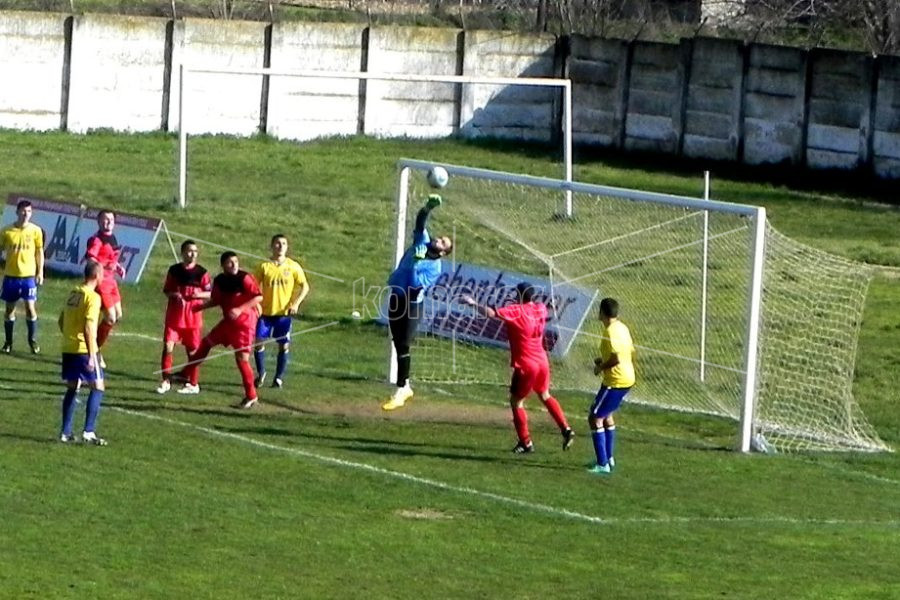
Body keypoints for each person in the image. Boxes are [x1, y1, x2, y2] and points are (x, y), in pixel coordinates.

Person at [462, 282, 575, 453]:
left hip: (526, 364)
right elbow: (548, 308)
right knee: (545, 395)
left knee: (516, 402)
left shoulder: (516, 311)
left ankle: (526, 442)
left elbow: (491, 313)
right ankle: (566, 429)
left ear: (519, 295)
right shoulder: (539, 308)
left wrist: (473, 303)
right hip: (542, 361)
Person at [381, 194, 453, 411]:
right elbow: (420, 222)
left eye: (443, 242)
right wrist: (427, 208)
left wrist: (415, 262)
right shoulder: (422, 242)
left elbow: (415, 286)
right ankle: (406, 386)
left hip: (412, 305)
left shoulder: (435, 267)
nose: (438, 240)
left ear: (444, 251)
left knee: (404, 343)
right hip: (396, 296)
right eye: (439, 237)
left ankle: (402, 387)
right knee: (397, 341)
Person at [184, 251, 263, 408]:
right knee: (206, 343)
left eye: (236, 261)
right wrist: (200, 307)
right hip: (228, 322)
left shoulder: (244, 278)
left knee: (242, 359)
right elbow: (217, 300)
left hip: (244, 324)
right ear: (223, 265)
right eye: (229, 262)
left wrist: (240, 309)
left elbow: (258, 297)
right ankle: (185, 374)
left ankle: (251, 395)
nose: (234, 265)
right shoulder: (220, 280)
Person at [58, 260, 107, 445]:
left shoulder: (73, 293)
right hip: (83, 349)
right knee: (98, 386)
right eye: (101, 274)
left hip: (68, 347)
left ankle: (65, 432)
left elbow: (61, 320)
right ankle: (88, 431)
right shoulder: (93, 298)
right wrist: (93, 356)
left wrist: (69, 338)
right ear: (96, 275)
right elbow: (88, 328)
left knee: (73, 386)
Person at [253, 234, 310, 389]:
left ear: (287, 247)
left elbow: (305, 286)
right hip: (265, 314)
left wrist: (296, 303)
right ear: (272, 246)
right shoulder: (264, 266)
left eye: (283, 243)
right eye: (277, 243)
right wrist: (257, 304)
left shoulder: (292, 266)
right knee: (258, 341)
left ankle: (278, 378)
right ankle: (261, 373)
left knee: (283, 345)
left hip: (283, 314)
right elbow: (253, 287)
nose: (280, 246)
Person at [157, 239, 212, 395]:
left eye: (195, 251)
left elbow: (211, 293)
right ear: (182, 253)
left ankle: (193, 384)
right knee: (168, 347)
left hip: (193, 318)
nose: (193, 254)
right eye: (189, 251)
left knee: (193, 352)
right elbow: (167, 290)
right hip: (175, 317)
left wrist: (198, 294)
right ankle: (166, 380)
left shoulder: (202, 272)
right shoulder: (174, 270)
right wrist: (176, 296)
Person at [588, 297, 635, 475]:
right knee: (606, 415)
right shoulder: (622, 328)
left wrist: (601, 367)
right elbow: (628, 352)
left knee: (595, 417)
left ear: (602, 312)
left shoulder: (611, 332)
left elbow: (616, 359)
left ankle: (602, 464)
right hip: (626, 377)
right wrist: (603, 361)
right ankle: (609, 458)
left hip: (615, 381)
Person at [1, 200, 44, 354]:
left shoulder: (35, 231)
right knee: (9, 310)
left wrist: (40, 272)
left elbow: (39, 252)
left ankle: (32, 341)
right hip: (11, 276)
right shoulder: (7, 231)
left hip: (28, 277)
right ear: (17, 212)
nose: (26, 214)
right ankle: (8, 342)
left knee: (30, 308)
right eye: (23, 211)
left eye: (29, 211)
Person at [84, 209, 126, 360]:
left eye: (111, 220)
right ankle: (93, 349)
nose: (108, 223)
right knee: (110, 318)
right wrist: (105, 266)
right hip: (101, 283)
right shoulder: (96, 240)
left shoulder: (112, 238)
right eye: (105, 220)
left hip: (111, 282)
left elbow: (111, 259)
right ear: (98, 221)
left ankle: (93, 345)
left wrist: (118, 267)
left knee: (118, 315)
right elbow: (91, 260)